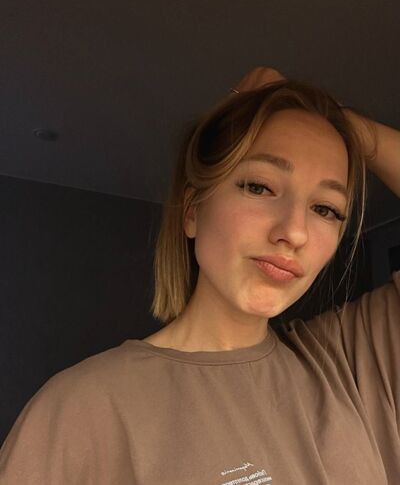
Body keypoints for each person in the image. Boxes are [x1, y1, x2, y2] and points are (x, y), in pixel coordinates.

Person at [0, 66, 399, 484]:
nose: (294, 232)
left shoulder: (348, 362)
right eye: (259, 187)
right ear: (192, 210)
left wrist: (334, 119)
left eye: (325, 209)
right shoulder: (82, 411)